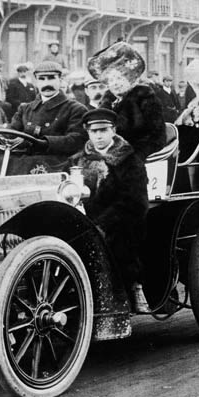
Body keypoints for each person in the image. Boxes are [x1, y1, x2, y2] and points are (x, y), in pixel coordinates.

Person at [70, 108, 149, 312]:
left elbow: (135, 202)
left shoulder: (130, 160)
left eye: (103, 130)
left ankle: (131, 288)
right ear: (88, 133)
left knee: (120, 240)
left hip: (122, 219)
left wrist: (102, 224)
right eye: (93, 131)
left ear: (113, 130)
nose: (98, 136)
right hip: (87, 219)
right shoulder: (79, 160)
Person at [90, 42, 165, 162]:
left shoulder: (146, 98)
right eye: (110, 79)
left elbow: (155, 139)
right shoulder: (106, 103)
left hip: (136, 160)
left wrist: (129, 157)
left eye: (119, 78)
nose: (115, 83)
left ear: (131, 79)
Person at [9, 61, 88, 170]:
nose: (46, 83)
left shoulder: (75, 109)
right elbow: (11, 133)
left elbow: (75, 141)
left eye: (51, 78)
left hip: (57, 165)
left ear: (60, 81)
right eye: (41, 79)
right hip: (24, 163)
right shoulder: (25, 109)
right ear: (36, 82)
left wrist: (41, 142)